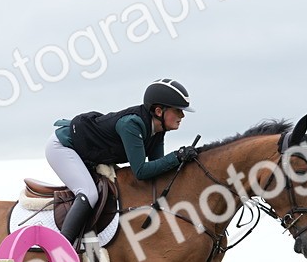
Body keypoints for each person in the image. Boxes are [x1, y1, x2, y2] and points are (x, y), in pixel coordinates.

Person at [46, 78, 198, 245]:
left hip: (88, 155)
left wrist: (184, 162)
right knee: (89, 193)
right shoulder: (131, 124)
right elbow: (141, 171)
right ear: (159, 111)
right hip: (63, 147)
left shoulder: (158, 131)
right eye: (178, 111)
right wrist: (177, 156)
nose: (182, 116)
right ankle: (61, 248)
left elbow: (157, 171)